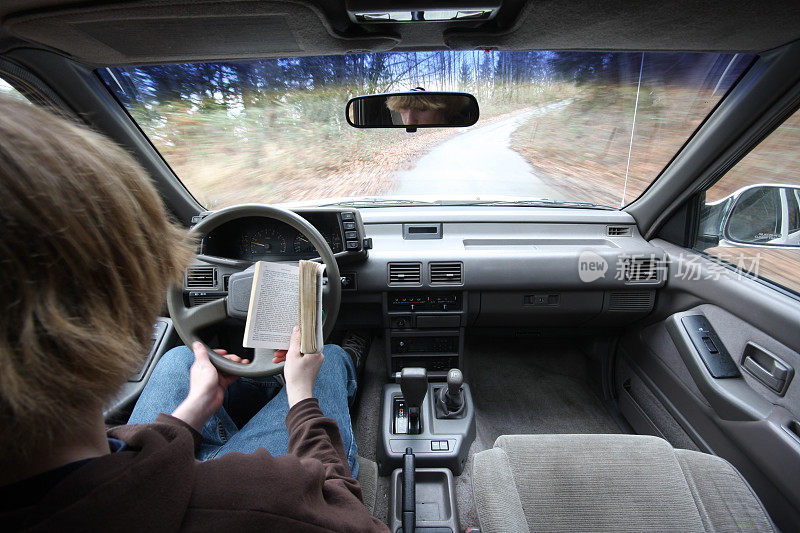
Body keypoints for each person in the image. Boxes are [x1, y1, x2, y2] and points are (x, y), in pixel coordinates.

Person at [0, 95, 387, 532]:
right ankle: (346, 359)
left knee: (185, 358)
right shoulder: (269, 502)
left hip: (150, 479)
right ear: (120, 311)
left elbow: (126, 467)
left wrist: (192, 414)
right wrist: (300, 395)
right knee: (327, 360)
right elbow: (350, 517)